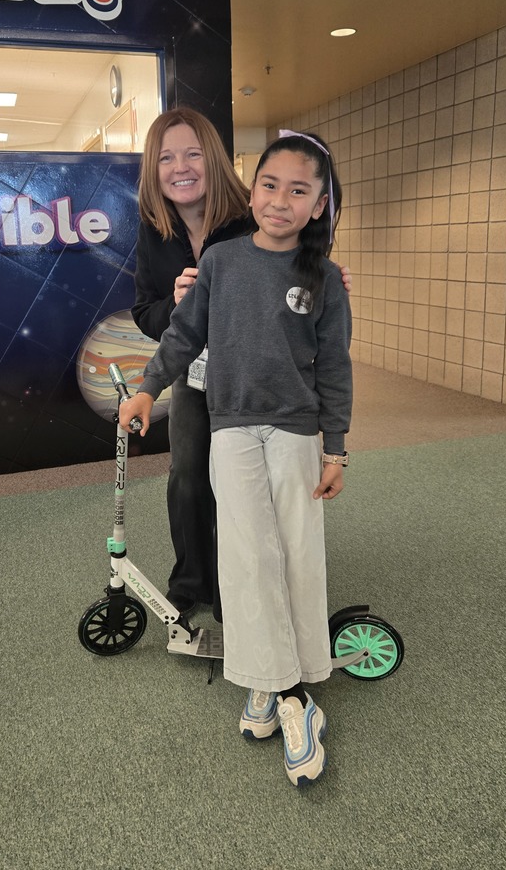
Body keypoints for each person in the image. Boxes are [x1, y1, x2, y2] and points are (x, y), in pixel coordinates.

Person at [122, 130, 352, 787]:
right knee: (248, 556)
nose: (281, 200)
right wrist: (145, 389)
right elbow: (180, 332)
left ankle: (291, 690)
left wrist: (336, 448)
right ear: (252, 193)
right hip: (231, 429)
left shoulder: (324, 278)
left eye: (299, 191)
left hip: (298, 434)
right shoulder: (222, 262)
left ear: (319, 205)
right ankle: (278, 690)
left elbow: (335, 367)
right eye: (270, 185)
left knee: (296, 553)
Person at [131, 108, 351, 623]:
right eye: (166, 157)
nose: (180, 167)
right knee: (187, 475)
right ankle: (191, 582)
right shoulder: (153, 228)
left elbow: (294, 259)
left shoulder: (250, 215)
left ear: (213, 159)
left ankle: (242, 588)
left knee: (246, 486)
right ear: (153, 169)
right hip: (195, 371)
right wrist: (179, 300)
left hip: (259, 376)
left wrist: (327, 278)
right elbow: (151, 316)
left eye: (191, 153)